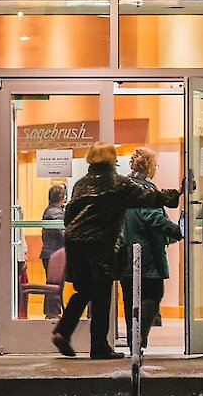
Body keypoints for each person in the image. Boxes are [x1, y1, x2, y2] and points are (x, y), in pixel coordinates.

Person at [53, 143, 179, 360]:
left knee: (83, 291)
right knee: (101, 293)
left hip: (74, 241)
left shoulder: (81, 184)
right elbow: (149, 198)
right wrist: (176, 194)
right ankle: (99, 347)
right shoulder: (117, 184)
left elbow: (69, 215)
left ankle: (63, 331)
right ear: (112, 160)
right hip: (99, 244)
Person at [118, 148, 184, 347]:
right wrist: (177, 231)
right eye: (155, 165)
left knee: (130, 299)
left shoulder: (123, 188)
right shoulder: (146, 190)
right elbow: (152, 217)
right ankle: (138, 339)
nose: (156, 168)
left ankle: (134, 342)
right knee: (153, 295)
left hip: (124, 253)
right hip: (146, 255)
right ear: (148, 166)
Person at [39, 184, 67, 318]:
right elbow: (63, 234)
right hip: (54, 253)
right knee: (55, 285)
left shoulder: (49, 210)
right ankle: (53, 313)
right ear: (61, 197)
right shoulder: (56, 213)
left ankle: (51, 312)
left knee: (52, 284)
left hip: (49, 252)